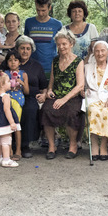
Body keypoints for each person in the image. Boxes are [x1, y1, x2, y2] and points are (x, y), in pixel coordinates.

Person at [40, 30, 85, 159]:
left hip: (72, 96)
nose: (61, 47)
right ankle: (51, 145)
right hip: (57, 95)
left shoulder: (78, 61)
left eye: (64, 44)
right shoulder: (55, 60)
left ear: (71, 44)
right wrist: (49, 91)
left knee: (71, 113)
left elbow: (80, 85)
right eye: (59, 44)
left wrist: (64, 99)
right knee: (46, 110)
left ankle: (73, 145)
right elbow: (52, 81)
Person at [4, 36, 47, 158]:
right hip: (9, 96)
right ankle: (8, 143)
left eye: (28, 48)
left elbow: (44, 86)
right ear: (17, 49)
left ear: (31, 50)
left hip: (30, 96)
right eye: (22, 48)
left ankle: (24, 145)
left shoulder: (36, 66)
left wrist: (44, 94)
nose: (25, 51)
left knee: (29, 110)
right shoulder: (9, 62)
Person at [84, 40, 108, 161]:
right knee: (93, 111)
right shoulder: (87, 67)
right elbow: (82, 85)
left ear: (107, 52)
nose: (100, 53)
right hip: (92, 98)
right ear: (93, 53)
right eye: (97, 51)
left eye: (102, 50)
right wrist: (83, 91)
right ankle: (94, 145)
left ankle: (104, 146)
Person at [24, 0, 63, 74]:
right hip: (32, 65)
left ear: (49, 8)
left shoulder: (57, 24)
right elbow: (25, 43)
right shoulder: (29, 22)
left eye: (43, 10)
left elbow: (61, 46)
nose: (40, 13)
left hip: (51, 66)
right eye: (38, 10)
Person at [0, 72, 20, 168]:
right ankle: (6, 160)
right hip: (4, 122)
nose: (10, 82)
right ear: (1, 85)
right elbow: (7, 110)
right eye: (8, 81)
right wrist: (12, 123)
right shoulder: (5, 96)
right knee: (6, 141)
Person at [5, 50, 28, 159]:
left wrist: (21, 82)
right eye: (10, 60)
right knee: (7, 125)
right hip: (6, 101)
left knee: (16, 125)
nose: (13, 62)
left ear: (20, 62)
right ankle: (9, 150)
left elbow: (27, 91)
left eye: (15, 60)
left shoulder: (23, 74)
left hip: (18, 101)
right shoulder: (4, 74)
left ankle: (18, 150)